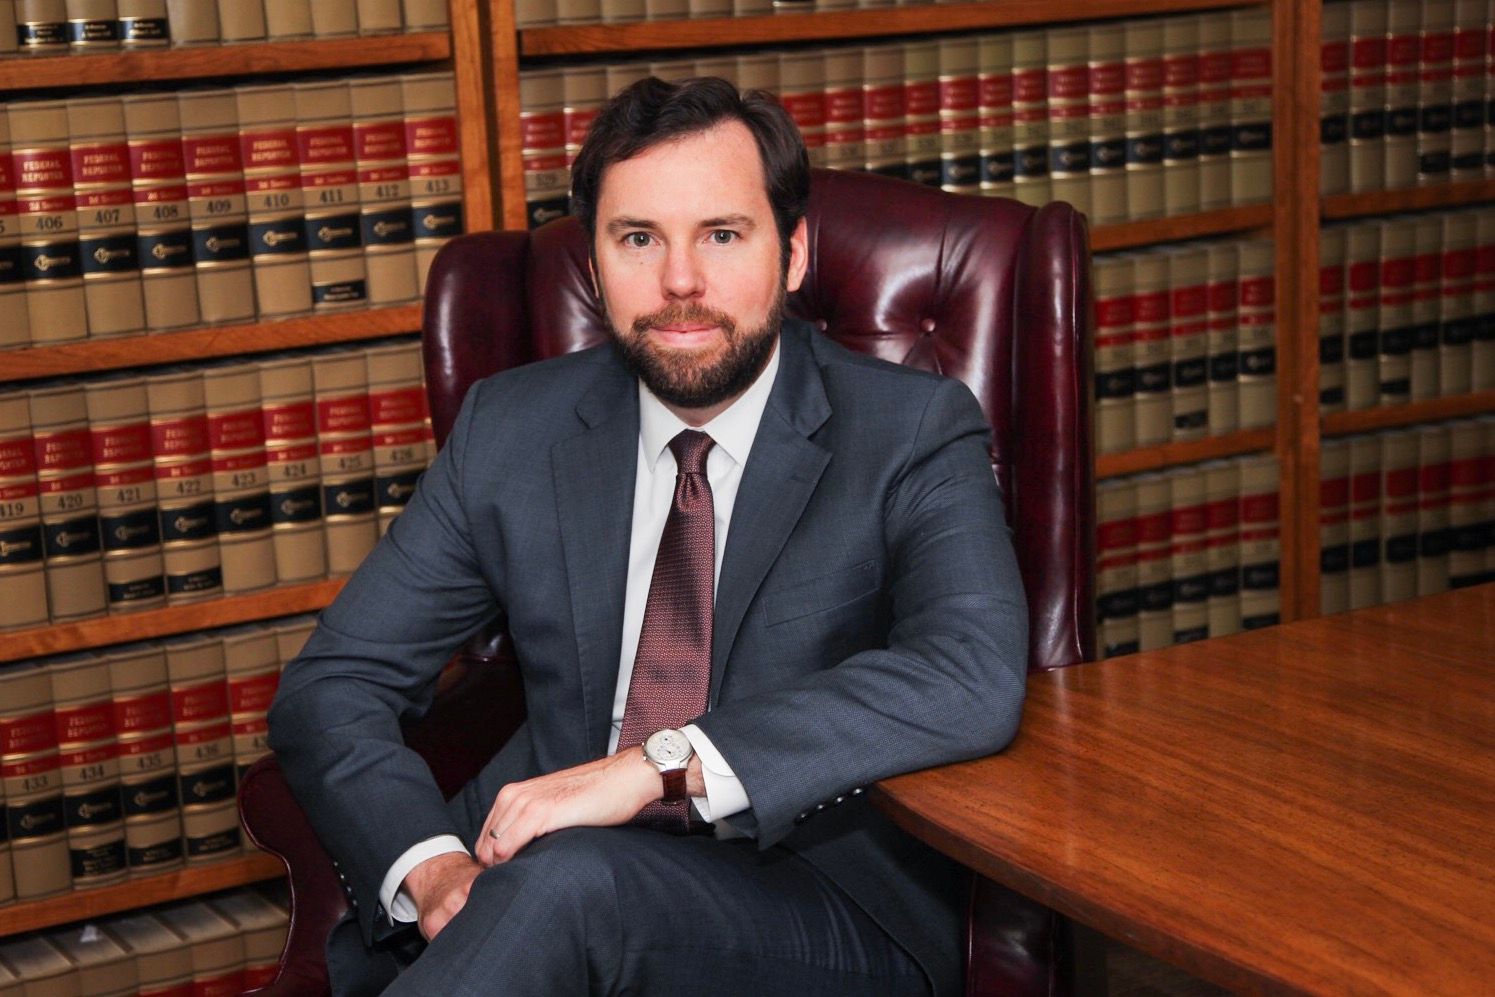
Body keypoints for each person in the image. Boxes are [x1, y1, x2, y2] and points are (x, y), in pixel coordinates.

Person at [266, 75, 1029, 997]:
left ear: (790, 254)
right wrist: (432, 868)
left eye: (721, 234)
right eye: (638, 239)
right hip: (531, 893)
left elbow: (969, 672)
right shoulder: (514, 428)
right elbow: (334, 684)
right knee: (561, 887)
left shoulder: (910, 429)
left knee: (572, 885)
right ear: (592, 266)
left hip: (812, 900)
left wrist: (653, 769)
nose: (679, 282)